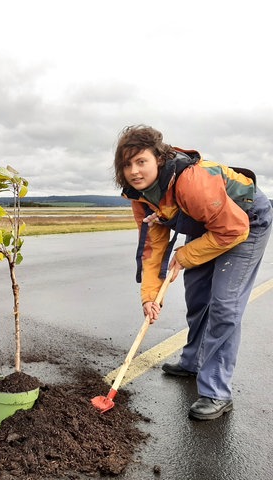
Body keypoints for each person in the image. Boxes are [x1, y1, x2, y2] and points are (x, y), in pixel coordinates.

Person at [113, 125, 272, 421]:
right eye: (126, 164)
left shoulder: (191, 182)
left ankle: (216, 392)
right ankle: (193, 361)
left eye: (141, 161)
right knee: (197, 297)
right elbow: (152, 248)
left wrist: (186, 254)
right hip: (207, 226)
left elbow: (233, 230)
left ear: (158, 159)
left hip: (244, 224)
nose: (134, 171)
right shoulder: (140, 195)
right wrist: (149, 297)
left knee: (224, 306)